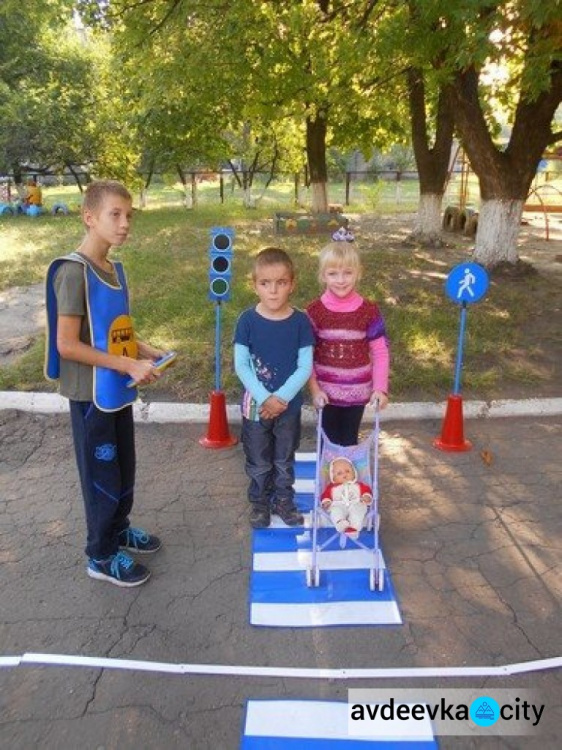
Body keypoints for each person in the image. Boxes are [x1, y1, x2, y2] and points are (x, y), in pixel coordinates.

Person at [44, 179, 165, 587]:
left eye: (129, 215)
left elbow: (113, 330)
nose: (125, 223)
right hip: (91, 395)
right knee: (101, 477)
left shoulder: (115, 269)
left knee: (123, 468)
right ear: (89, 217)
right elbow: (66, 345)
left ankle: (119, 529)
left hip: (116, 390)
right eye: (115, 214)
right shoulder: (73, 273)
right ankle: (100, 554)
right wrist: (124, 365)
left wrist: (143, 351)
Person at [234, 247, 315, 529]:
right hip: (255, 407)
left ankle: (283, 499)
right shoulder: (246, 321)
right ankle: (259, 502)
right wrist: (265, 398)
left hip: (288, 407)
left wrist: (280, 398)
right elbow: (242, 366)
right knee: (259, 460)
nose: (273, 291)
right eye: (265, 283)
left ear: (291, 284)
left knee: (283, 459)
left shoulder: (301, 322)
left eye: (281, 282)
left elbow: (304, 367)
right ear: (255, 285)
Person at [307, 236, 390, 446]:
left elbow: (380, 352)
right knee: (328, 443)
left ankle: (347, 479)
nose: (341, 280)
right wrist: (315, 389)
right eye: (333, 273)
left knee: (349, 441)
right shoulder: (314, 312)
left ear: (358, 273)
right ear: (323, 275)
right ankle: (330, 479)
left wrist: (380, 388)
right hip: (325, 394)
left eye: (348, 273)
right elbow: (306, 355)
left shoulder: (369, 311)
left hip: (358, 392)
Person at [321, 457, 372, 540]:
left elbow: (367, 491)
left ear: (354, 473)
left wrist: (367, 497)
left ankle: (353, 528)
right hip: (338, 504)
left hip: (356, 503)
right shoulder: (331, 488)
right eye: (339, 473)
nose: (344, 475)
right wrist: (326, 502)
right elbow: (325, 496)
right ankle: (341, 524)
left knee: (358, 510)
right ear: (333, 477)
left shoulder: (359, 485)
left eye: (348, 471)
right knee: (335, 511)